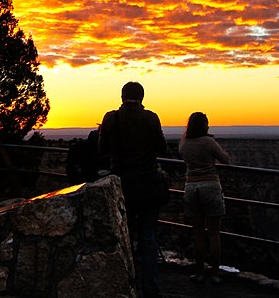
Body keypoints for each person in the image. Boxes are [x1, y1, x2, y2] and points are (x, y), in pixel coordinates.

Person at [97, 81, 169, 298]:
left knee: (124, 237)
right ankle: (150, 288)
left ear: (122, 97)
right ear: (142, 97)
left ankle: (126, 285)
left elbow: (101, 149)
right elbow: (162, 147)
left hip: (121, 187)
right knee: (148, 238)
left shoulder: (111, 118)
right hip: (148, 185)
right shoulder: (151, 118)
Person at [179, 111, 231, 284]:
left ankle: (199, 272)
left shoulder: (184, 143)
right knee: (214, 234)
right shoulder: (208, 142)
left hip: (191, 187)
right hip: (210, 185)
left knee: (198, 233)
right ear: (204, 125)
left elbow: (182, 153)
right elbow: (226, 160)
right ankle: (215, 274)